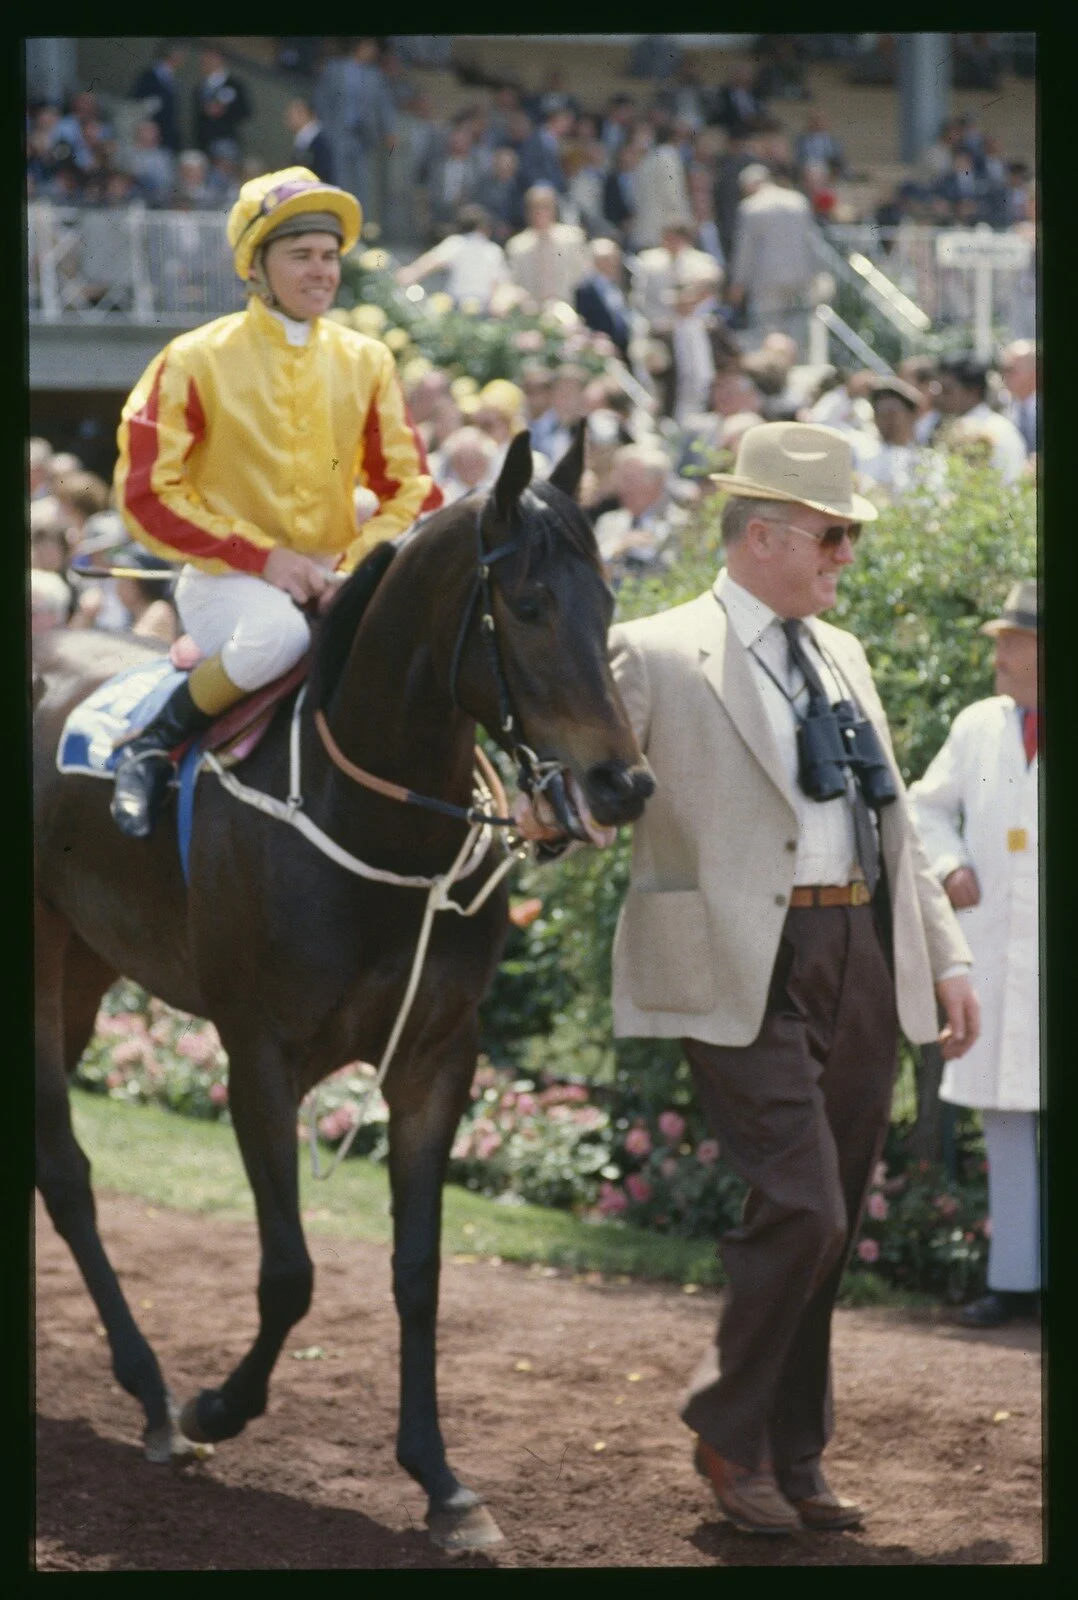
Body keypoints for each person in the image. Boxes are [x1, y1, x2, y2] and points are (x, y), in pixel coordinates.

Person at [534, 421, 978, 1534]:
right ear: (764, 534)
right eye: (833, 537)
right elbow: (586, 789)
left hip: (859, 952)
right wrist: (560, 816)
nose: (845, 558)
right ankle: (731, 1433)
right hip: (736, 959)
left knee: (830, 1211)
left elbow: (899, 834)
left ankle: (794, 1448)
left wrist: (948, 960)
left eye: (848, 540)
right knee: (803, 1203)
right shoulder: (651, 649)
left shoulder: (845, 654)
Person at [108, 166, 440, 840]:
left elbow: (411, 488)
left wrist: (357, 565)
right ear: (256, 267)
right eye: (301, 257)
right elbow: (147, 495)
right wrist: (265, 559)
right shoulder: (193, 358)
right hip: (226, 582)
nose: (320, 271)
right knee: (278, 636)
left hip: (336, 575)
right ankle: (152, 741)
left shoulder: (367, 360)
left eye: (328, 257)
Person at [908, 582, 1040, 1329]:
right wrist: (950, 861)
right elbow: (927, 805)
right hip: (998, 950)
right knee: (1005, 1120)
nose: (998, 656)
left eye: (1012, 642)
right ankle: (1015, 1281)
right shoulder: (979, 725)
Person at [728, 165, 823, 357]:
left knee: (767, 327)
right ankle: (798, 361)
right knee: (797, 324)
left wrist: (738, 282)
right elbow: (812, 241)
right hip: (800, 274)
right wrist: (815, 271)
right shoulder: (797, 201)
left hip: (766, 278)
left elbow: (746, 250)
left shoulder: (752, 207)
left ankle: (772, 366)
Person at [313, 37, 396, 214]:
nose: (373, 52)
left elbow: (384, 105)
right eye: (370, 47)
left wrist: (388, 130)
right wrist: (326, 127)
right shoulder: (336, 68)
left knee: (362, 182)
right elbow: (322, 98)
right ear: (360, 47)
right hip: (339, 132)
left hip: (364, 135)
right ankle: (340, 216)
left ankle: (359, 221)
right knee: (340, 177)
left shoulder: (374, 75)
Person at [933, 355, 1028, 486]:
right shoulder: (953, 424)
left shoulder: (997, 430)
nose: (940, 397)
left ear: (973, 391)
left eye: (947, 390)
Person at [394, 203, 509, 308]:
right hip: (484, 307)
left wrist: (410, 272)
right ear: (484, 228)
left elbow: (431, 262)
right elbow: (499, 283)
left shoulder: (455, 243)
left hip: (457, 305)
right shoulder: (494, 250)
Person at [505, 185, 590, 308]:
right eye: (535, 207)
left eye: (546, 207)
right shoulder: (517, 246)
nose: (540, 213)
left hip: (569, 309)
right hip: (532, 313)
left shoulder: (573, 239)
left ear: (554, 209)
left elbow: (584, 277)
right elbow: (513, 284)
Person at [574, 238, 632, 360]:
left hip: (624, 347)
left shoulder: (619, 284)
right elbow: (584, 321)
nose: (614, 262)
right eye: (608, 259)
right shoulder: (585, 289)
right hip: (603, 349)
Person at [193, 47, 252, 159]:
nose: (204, 61)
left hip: (225, 141)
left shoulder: (234, 85)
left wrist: (224, 110)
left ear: (219, 59)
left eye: (209, 58)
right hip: (203, 143)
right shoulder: (200, 88)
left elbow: (245, 111)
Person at [130, 40, 186, 155]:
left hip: (166, 137)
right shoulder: (149, 76)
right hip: (149, 138)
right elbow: (136, 105)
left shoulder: (172, 79)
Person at [998, 340, 1038, 457]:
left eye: (1010, 369)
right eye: (1003, 369)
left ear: (1034, 372)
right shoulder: (1001, 405)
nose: (1004, 375)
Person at [284, 97, 335, 184]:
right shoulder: (305, 141)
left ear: (304, 113)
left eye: (292, 115)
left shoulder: (319, 141)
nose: (288, 120)